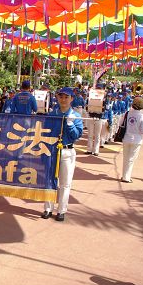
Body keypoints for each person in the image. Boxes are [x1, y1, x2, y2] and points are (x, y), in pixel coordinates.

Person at [41, 87, 83, 222]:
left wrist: (70, 124)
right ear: (57, 98)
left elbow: (76, 136)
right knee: (49, 180)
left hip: (67, 151)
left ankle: (61, 210)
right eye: (61, 97)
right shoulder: (52, 114)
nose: (63, 99)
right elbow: (45, 132)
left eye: (66, 97)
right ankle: (48, 208)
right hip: (52, 150)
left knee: (65, 183)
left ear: (71, 99)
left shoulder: (76, 116)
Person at [120, 97, 143, 183]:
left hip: (126, 137)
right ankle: (126, 177)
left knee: (126, 157)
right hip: (136, 139)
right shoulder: (142, 116)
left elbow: (120, 124)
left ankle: (125, 175)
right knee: (131, 158)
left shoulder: (127, 113)